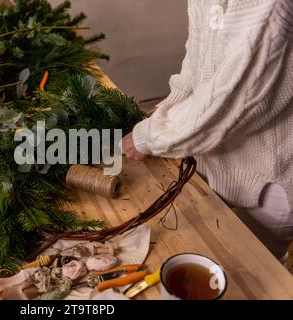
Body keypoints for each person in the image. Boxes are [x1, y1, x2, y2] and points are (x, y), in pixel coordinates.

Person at [120, 0, 293, 259]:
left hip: (270, 180)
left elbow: (232, 101)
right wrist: (167, 111)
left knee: (248, 274)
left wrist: (150, 136)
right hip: (215, 159)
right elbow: (195, 64)